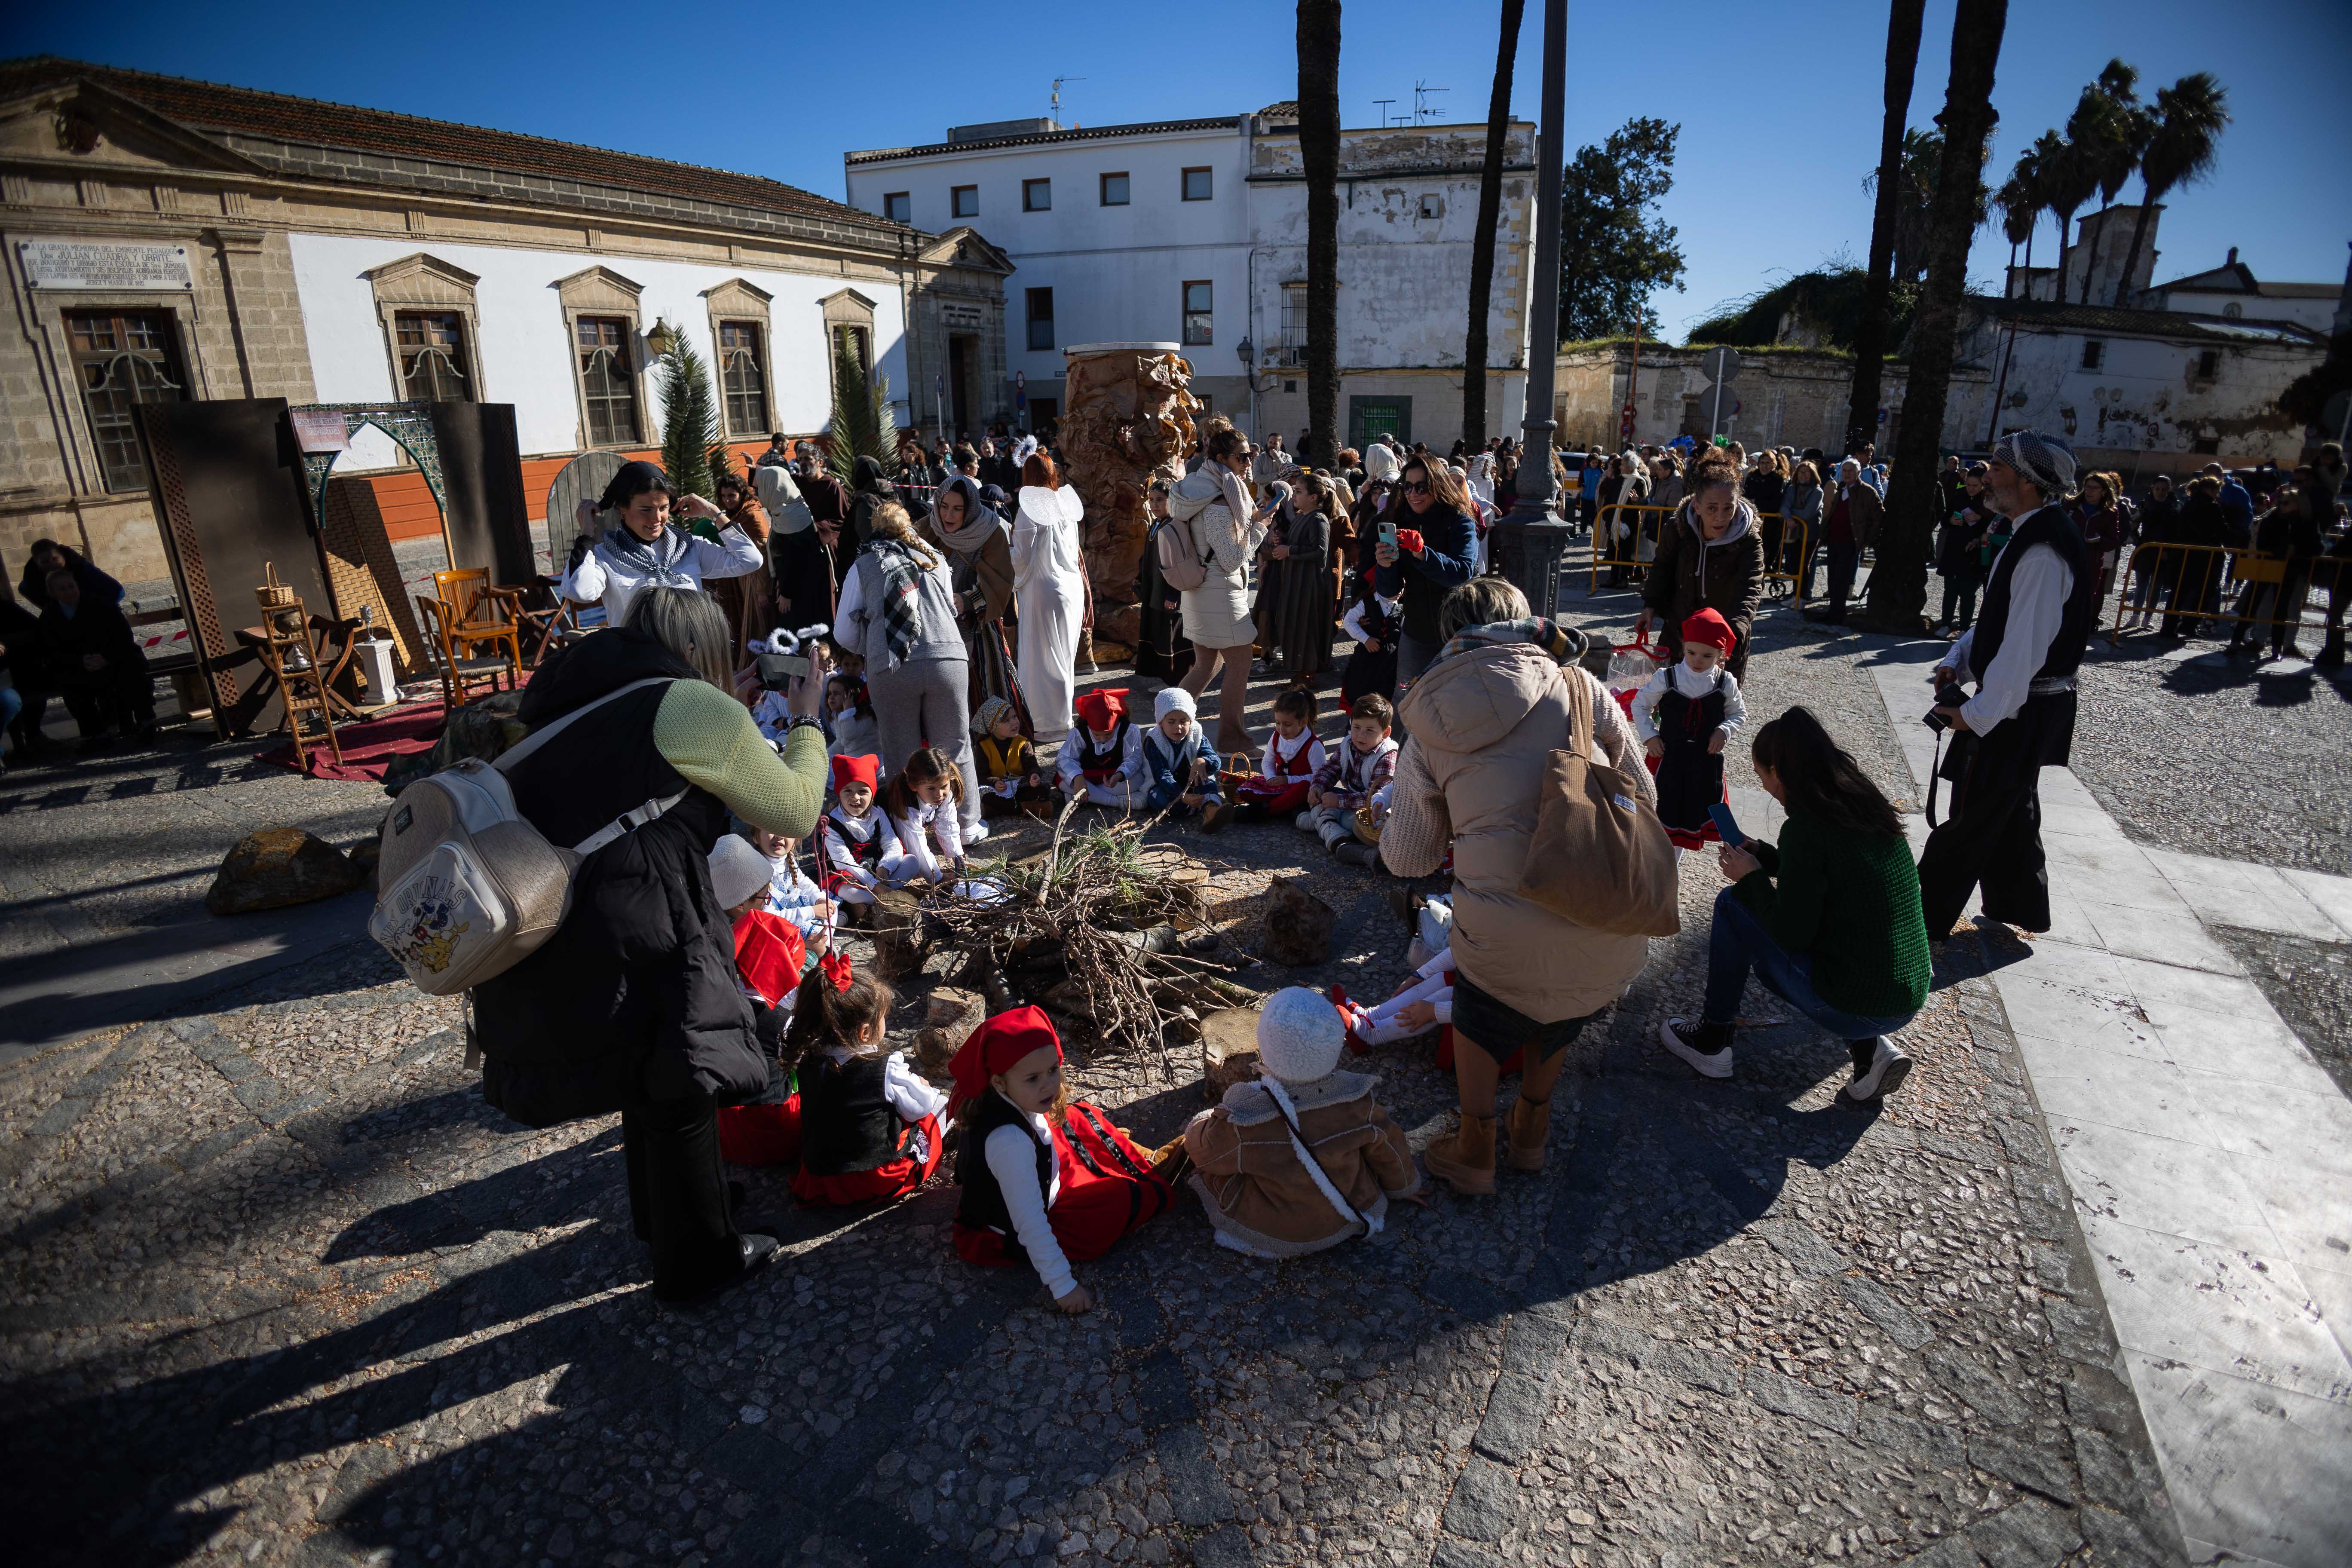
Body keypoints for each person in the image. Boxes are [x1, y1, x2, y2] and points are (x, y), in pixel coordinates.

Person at [471, 585, 830, 1306]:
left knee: (643, 1067)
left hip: (563, 911)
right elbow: (794, 805)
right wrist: (806, 719)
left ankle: (661, 1215)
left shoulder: (579, 696)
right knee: (681, 1073)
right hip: (644, 911)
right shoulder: (687, 705)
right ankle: (700, 1256)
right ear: (703, 651)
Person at [1380, 578, 1654, 1195]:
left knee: (1485, 977)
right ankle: (1531, 1133)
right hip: (1605, 916)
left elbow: (1407, 859)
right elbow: (1647, 796)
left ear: (1452, 637)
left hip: (1500, 941)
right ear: (1525, 622)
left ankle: (1475, 1148)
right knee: (1561, 972)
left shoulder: (1427, 721)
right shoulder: (1584, 687)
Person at [1659, 707, 1928, 1103]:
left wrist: (1750, 879)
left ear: (1778, 774)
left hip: (1854, 1003)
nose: (1764, 785)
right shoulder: (1864, 805)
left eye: (1761, 776)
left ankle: (1713, 1040)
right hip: (1904, 994)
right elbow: (1834, 877)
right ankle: (1870, 1049)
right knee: (1846, 942)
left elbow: (1791, 933)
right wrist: (1768, 859)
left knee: (1733, 904)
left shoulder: (1806, 829)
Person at [1915, 430, 2101, 943]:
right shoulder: (2027, 531)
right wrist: (1960, 660)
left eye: (1997, 467)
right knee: (2010, 805)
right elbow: (2000, 621)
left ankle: (1913, 919)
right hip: (2025, 707)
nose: (1987, 474)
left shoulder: (2042, 550)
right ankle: (2022, 905)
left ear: (2026, 480)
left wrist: (1975, 715)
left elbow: (2023, 650)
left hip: (2022, 711)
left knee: (1972, 815)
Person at [949, 1007, 1176, 1312]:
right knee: (1120, 1196)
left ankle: (1125, 1153)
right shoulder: (1010, 1142)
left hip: (1035, 1181)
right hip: (1015, 1228)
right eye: (1032, 1079)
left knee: (1074, 1115)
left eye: (1053, 1070)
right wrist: (1064, 1286)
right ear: (1000, 1083)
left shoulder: (1007, 1101)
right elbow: (1030, 1224)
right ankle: (1153, 1168)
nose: (1048, 1085)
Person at [1181, 987, 1423, 1257]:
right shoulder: (1357, 1098)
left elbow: (1204, 1152)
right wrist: (1404, 1187)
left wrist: (1203, 1121)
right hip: (1351, 1212)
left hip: (1281, 1233)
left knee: (1210, 1173)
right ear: (1336, 1045)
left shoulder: (1246, 1112)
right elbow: (1390, 1144)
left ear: (1263, 1043)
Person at [832, 501, 986, 843]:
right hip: (948, 657)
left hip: (892, 664)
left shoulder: (864, 564)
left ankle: (906, 829)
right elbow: (950, 607)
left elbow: (843, 632)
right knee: (956, 744)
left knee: (901, 750)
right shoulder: (934, 557)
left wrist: (870, 646)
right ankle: (967, 825)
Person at [1170, 423, 1281, 755]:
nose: (1250, 461)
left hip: (1200, 591)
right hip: (1219, 592)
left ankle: (1169, 727)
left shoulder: (1200, 486)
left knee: (1206, 666)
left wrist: (1253, 521)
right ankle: (1233, 742)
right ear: (1221, 458)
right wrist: (1260, 529)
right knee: (1240, 663)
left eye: (1253, 454)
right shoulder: (1218, 499)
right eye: (1243, 456)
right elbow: (1232, 559)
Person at [562, 461, 764, 625]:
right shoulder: (606, 556)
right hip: (639, 666)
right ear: (623, 509)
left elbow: (750, 560)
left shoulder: (689, 547)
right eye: (646, 510)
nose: (657, 518)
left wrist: (712, 512)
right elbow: (579, 591)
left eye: (664, 508)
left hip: (690, 660)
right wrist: (587, 533)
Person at [1635, 450, 1765, 679]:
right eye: (1712, 508)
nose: (1720, 517)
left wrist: (1731, 637)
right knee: (1670, 702)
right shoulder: (1677, 530)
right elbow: (1662, 568)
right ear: (1696, 506)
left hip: (1723, 642)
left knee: (1716, 709)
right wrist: (1650, 606)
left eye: (1728, 508)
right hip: (1679, 633)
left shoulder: (1749, 541)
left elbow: (1750, 589)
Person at [918, 474, 1032, 737]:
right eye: (944, 506)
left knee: (987, 689)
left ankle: (998, 755)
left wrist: (968, 601)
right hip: (933, 630)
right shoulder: (927, 527)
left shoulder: (990, 533)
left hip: (979, 632)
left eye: (958, 509)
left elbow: (1002, 583)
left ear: (970, 509)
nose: (948, 515)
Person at [1632, 609, 1746, 849]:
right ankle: (1654, 867)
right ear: (1684, 646)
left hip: (1703, 765)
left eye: (1707, 655)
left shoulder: (1726, 682)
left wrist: (1724, 730)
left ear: (1721, 655)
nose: (1697, 661)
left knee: (1688, 819)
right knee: (1660, 815)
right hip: (1666, 760)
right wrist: (1650, 736)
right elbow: (1640, 705)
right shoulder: (1667, 677)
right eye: (1691, 652)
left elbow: (1739, 713)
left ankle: (1672, 870)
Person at [1372, 456, 1479, 691]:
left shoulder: (1460, 521)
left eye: (1421, 487)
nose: (1413, 494)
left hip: (1457, 630)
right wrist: (1385, 566)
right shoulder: (1401, 521)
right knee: (1408, 702)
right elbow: (1389, 592)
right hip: (1416, 630)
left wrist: (1423, 553)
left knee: (1454, 702)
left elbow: (1462, 574)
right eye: (1407, 487)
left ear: (1437, 485)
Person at [1011, 451, 1087, 749]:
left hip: (1043, 590)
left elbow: (1022, 558)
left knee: (1040, 659)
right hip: (1070, 588)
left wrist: (1002, 554)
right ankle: (1062, 720)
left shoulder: (1029, 508)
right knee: (1064, 658)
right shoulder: (1066, 504)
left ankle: (1045, 725)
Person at [37, 568, 153, 744]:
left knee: (133, 672)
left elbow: (123, 637)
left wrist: (106, 657)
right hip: (77, 665)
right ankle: (95, 732)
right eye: (62, 589)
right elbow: (50, 649)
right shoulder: (49, 616)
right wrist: (79, 661)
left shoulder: (102, 605)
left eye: (71, 586)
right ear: (52, 593)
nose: (69, 591)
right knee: (72, 685)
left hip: (113, 658)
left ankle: (146, 722)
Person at [1256, 470, 1335, 690]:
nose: (1295, 496)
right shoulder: (1303, 517)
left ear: (1314, 497)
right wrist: (1285, 539)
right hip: (1297, 583)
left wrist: (1290, 550)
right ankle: (1299, 672)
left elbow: (1320, 550)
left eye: (1299, 492)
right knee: (1296, 626)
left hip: (1309, 585)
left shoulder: (1319, 520)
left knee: (1307, 628)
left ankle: (1307, 676)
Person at [1304, 693, 1396, 867]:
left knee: (1351, 821)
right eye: (1357, 727)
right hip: (1351, 799)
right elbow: (1330, 768)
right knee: (1316, 794)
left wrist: (1339, 801)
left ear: (1385, 733)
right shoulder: (1348, 745)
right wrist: (1318, 787)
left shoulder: (1387, 756)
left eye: (1370, 730)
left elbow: (1375, 797)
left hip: (1376, 812)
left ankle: (1324, 824)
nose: (1361, 735)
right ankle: (1327, 824)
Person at [818, 753, 910, 908]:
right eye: (848, 791)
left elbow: (892, 843)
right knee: (852, 893)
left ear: (872, 795)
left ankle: (878, 898)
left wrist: (883, 869)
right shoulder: (832, 824)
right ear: (839, 794)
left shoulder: (878, 813)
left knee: (912, 862)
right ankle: (887, 897)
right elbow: (844, 863)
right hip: (850, 874)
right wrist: (875, 885)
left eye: (863, 791)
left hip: (878, 869)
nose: (855, 797)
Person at [1223, 687, 1325, 823]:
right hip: (1278, 787)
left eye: (1288, 724)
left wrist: (1289, 780)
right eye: (1278, 723)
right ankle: (1284, 808)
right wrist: (1271, 778)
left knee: (1304, 788)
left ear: (1304, 722)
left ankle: (1264, 811)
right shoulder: (1277, 736)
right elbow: (1267, 762)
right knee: (1244, 789)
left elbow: (1320, 778)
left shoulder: (1314, 746)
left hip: (1298, 788)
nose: (1281, 729)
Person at [769, 466, 852, 632]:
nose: (803, 463)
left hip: (816, 566)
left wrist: (787, 592)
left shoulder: (832, 487)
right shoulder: (790, 496)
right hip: (799, 581)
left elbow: (842, 519)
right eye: (800, 460)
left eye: (808, 459)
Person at [879, 744, 972, 887]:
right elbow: (917, 844)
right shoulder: (907, 804)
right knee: (909, 860)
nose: (939, 794)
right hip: (882, 836)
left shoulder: (943, 793)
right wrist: (937, 878)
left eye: (943, 787)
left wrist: (957, 858)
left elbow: (948, 824)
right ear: (913, 786)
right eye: (931, 789)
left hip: (906, 834)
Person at [707, 470, 775, 649]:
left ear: (742, 493)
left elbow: (764, 554)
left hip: (754, 578)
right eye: (723, 496)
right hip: (739, 577)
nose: (727, 500)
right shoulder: (731, 515)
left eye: (732, 495)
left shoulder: (752, 515)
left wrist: (762, 590)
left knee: (756, 624)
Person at [1810, 458, 1883, 625]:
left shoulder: (1867, 492)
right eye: (1845, 471)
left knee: (1842, 579)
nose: (1847, 474)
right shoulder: (1841, 488)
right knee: (1833, 578)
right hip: (1835, 540)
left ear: (1858, 473)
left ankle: (1837, 613)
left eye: (1851, 471)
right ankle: (1833, 611)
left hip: (1851, 542)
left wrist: (1867, 539)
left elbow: (1879, 516)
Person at [1135, 478, 1193, 685]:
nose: (1155, 505)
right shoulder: (1157, 524)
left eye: (1160, 500)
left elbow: (1177, 565)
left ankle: (1176, 681)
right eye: (1151, 500)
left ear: (1172, 501)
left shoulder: (1174, 526)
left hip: (1169, 594)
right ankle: (1165, 678)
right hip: (1155, 591)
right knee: (1159, 634)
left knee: (1171, 636)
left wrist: (1173, 594)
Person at [1140, 686, 1224, 823]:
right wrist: (1181, 796)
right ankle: (1203, 805)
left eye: (1184, 721)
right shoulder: (1154, 740)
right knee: (1160, 800)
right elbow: (1161, 773)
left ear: (1191, 721)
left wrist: (1203, 761)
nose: (1178, 727)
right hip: (1166, 786)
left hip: (1192, 782)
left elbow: (1215, 761)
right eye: (1171, 722)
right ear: (1161, 722)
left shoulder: (1196, 735)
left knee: (1208, 784)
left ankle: (1210, 810)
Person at [744, 824, 833, 950]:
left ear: (795, 840)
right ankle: (816, 949)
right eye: (771, 830)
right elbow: (767, 916)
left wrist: (819, 899)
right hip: (775, 922)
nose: (779, 836)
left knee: (831, 904)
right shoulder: (756, 870)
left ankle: (824, 944)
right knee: (807, 929)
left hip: (790, 909)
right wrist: (811, 912)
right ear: (756, 837)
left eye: (785, 831)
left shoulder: (788, 859)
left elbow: (803, 882)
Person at [1936, 463, 1997, 636]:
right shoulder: (1959, 495)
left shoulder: (1990, 500)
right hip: (1954, 548)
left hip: (1974, 553)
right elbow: (1946, 518)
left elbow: (1995, 524)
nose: (1971, 489)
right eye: (1968, 485)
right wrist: (1951, 522)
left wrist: (1981, 518)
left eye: (1975, 486)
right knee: (1950, 591)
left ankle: (1964, 629)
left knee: (1968, 593)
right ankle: (1946, 624)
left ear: (1983, 485)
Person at [1057, 686, 1145, 808]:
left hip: (1114, 775)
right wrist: (1078, 777)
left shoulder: (1130, 730)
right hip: (1087, 776)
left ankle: (1085, 798)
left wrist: (1120, 775)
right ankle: (1118, 802)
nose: (1103, 739)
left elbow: (1134, 759)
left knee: (1138, 780)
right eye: (1097, 734)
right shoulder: (1079, 733)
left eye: (1109, 734)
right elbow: (1065, 758)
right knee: (1062, 780)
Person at [971, 695, 1054, 817]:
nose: (1014, 722)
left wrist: (1034, 775)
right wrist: (995, 782)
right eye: (1007, 721)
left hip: (1019, 785)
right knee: (983, 794)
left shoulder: (1023, 742)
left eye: (1015, 717)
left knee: (1043, 789)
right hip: (998, 789)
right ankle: (1030, 808)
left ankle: (996, 810)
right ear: (993, 727)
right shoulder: (984, 746)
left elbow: (1031, 764)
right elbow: (981, 775)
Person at [16, 539, 123, 615]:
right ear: (37, 564)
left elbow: (118, 591)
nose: (51, 564)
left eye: (55, 559)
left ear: (62, 557)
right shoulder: (31, 579)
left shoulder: (81, 568)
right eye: (45, 562)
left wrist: (99, 610)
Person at [1782, 460, 1824, 603]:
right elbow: (1784, 507)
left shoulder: (1818, 492)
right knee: (1794, 563)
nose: (1803, 475)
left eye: (1807, 473)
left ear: (1813, 475)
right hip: (1793, 533)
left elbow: (1807, 514)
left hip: (1810, 533)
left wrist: (1791, 515)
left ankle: (1803, 596)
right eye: (1801, 472)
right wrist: (1788, 517)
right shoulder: (1792, 489)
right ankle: (1796, 594)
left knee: (1804, 564)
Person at [821, 671, 880, 765]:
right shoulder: (841, 715)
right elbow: (841, 743)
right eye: (830, 694)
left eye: (836, 694)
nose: (831, 697)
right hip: (854, 761)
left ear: (852, 696)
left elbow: (850, 734)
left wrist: (847, 711)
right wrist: (824, 756)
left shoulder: (866, 714)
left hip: (871, 765)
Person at [846, 455, 898, 547]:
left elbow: (867, 538)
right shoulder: (893, 495)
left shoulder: (865, 502)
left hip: (875, 556)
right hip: (901, 551)